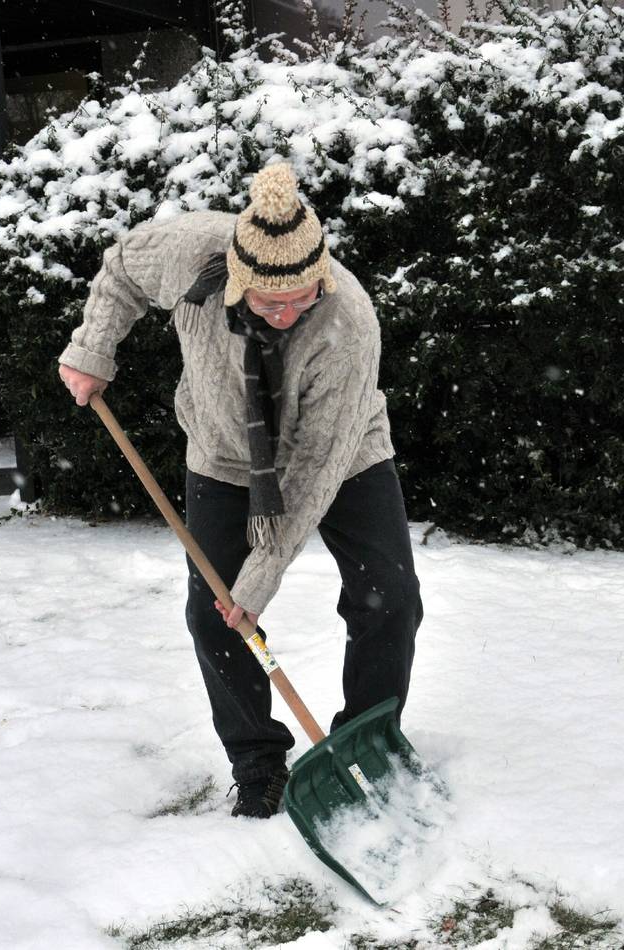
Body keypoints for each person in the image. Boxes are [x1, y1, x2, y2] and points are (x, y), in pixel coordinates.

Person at [58, 162, 422, 819]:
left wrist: (264, 576)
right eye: (268, 301)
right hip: (225, 455)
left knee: (390, 597)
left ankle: (367, 740)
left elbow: (315, 465)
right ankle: (257, 763)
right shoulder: (191, 252)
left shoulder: (348, 321)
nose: (286, 314)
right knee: (213, 614)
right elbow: (121, 270)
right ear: (239, 279)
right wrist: (91, 350)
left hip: (344, 455)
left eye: (301, 297)